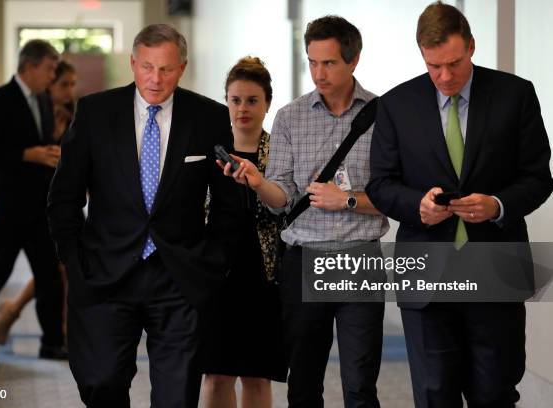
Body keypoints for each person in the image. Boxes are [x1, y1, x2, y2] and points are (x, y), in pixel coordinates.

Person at [365, 2, 553, 407]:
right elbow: (380, 184)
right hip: (427, 276)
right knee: (435, 394)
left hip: (495, 270)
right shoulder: (396, 105)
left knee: (495, 393)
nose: (445, 76)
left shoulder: (515, 95)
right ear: (421, 54)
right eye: (434, 66)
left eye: (454, 63)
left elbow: (539, 177)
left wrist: (498, 204)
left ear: (471, 46)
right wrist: (419, 205)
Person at [47, 24, 241, 408]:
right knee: (101, 381)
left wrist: (214, 262)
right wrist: (73, 258)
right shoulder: (95, 113)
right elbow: (64, 194)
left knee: (177, 397)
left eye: (166, 69)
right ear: (133, 63)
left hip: (179, 276)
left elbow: (228, 203)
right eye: (148, 67)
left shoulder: (209, 117)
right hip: (106, 272)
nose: (156, 78)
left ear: (182, 67)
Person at [222, 16, 389, 407]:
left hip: (358, 258)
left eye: (328, 63)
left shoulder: (383, 116)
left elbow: (394, 196)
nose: (318, 73)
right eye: (312, 62)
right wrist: (258, 182)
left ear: (353, 60)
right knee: (303, 384)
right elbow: (283, 197)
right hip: (304, 260)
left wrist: (347, 199)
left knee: (360, 385)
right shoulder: (290, 117)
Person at [201, 57, 287, 408]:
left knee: (257, 375)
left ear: (267, 103)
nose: (243, 108)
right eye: (235, 100)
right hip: (215, 275)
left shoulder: (281, 152)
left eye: (252, 100)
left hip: (264, 277)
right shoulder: (209, 151)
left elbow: (286, 206)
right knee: (216, 374)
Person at [0, 39, 66, 359]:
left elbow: (42, 143)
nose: (52, 75)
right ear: (30, 66)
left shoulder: (43, 100)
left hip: (38, 204)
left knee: (49, 274)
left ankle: (52, 343)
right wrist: (26, 154)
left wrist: (50, 151)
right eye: (49, 68)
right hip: (7, 204)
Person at [0, 60, 78, 345]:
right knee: (49, 269)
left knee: (57, 270)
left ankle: (50, 332)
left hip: (60, 201)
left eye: (71, 84)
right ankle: (12, 313)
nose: (69, 91)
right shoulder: (29, 108)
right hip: (28, 202)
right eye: (62, 84)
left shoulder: (72, 115)